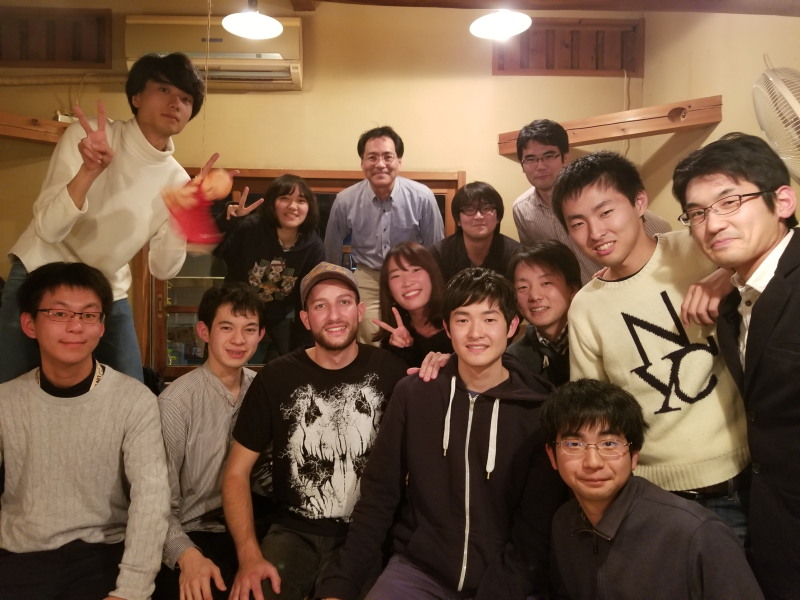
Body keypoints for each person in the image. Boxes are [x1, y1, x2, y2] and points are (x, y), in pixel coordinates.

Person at [316, 267, 566, 600]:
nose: (475, 333)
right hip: (419, 570)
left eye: (489, 319)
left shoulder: (539, 411)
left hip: (505, 579)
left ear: (512, 326)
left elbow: (535, 531)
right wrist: (341, 583)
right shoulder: (414, 394)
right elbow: (378, 496)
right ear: (447, 328)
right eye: (463, 320)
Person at [551, 151, 750, 537]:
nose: (595, 232)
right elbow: (596, 413)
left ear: (639, 202)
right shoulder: (586, 307)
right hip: (653, 496)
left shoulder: (699, 248)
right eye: (578, 223)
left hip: (743, 479)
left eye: (606, 212)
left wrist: (728, 275)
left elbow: (777, 254)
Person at [0, 52, 209, 384]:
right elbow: (49, 229)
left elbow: (163, 269)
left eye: (186, 99)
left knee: (131, 389)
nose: (176, 104)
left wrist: (182, 215)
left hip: (105, 285)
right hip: (40, 269)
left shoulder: (178, 181)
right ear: (136, 97)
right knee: (11, 384)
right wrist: (88, 171)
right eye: (164, 90)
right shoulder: (91, 137)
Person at [221, 262, 407, 600]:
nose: (334, 315)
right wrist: (248, 556)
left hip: (365, 536)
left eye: (344, 302)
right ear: (306, 319)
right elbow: (236, 473)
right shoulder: (276, 377)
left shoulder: (392, 373)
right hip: (291, 532)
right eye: (321, 305)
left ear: (360, 310)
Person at [672, 132, 800, 600]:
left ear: (782, 201)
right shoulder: (733, 302)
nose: (712, 224)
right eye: (697, 213)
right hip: (775, 527)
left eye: (730, 202)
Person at [0, 262, 169, 600]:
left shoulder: (135, 400)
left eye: (89, 315)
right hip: (20, 557)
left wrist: (130, 591)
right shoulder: (6, 401)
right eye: (59, 314)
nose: (76, 326)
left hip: (104, 555)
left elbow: (151, 499)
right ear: (29, 324)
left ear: (102, 326)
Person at [541, 378, 764, 600]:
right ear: (552, 455)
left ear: (634, 455)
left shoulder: (697, 533)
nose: (593, 462)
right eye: (574, 445)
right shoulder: (564, 523)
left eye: (609, 444)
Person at [153, 283, 270, 600]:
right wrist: (185, 554)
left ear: (261, 335)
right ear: (204, 332)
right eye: (226, 327)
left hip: (254, 526)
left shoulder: (264, 389)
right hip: (194, 532)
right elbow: (157, 504)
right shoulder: (176, 403)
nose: (238, 340)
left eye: (249, 329)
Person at [511, 119, 671, 284]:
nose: (540, 166)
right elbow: (535, 259)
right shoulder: (521, 209)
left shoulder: (599, 194)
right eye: (530, 159)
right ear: (522, 164)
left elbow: (661, 236)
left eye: (549, 155)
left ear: (565, 156)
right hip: (578, 293)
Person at [324, 125, 444, 344]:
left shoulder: (423, 197)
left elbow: (434, 248)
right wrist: (337, 287)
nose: (380, 164)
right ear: (362, 162)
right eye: (372, 157)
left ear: (399, 161)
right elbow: (332, 250)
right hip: (368, 276)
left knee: (414, 335)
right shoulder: (345, 200)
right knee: (372, 339)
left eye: (388, 157)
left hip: (411, 274)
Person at [215, 174, 324, 359]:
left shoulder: (314, 246)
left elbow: (308, 299)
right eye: (285, 198)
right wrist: (230, 222)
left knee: (289, 364)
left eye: (301, 200)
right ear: (272, 203)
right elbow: (219, 251)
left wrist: (305, 350)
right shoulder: (251, 228)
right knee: (226, 363)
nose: (293, 206)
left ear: (309, 207)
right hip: (237, 312)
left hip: (279, 317)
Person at [506, 241, 581, 386]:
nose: (534, 296)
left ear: (572, 289)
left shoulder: (596, 339)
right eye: (522, 287)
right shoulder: (514, 360)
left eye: (546, 283)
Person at [372, 241, 452, 367]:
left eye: (415, 270)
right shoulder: (393, 339)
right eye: (396, 276)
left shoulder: (457, 319)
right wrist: (401, 348)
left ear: (432, 275)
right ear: (389, 290)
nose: (407, 282)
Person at [429, 181, 519, 282]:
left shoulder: (514, 254)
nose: (478, 216)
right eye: (469, 210)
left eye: (486, 208)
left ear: (498, 217)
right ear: (458, 220)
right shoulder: (440, 253)